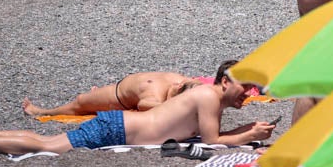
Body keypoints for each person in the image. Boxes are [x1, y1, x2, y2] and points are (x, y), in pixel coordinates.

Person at [0, 62, 275, 162]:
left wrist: (246, 131)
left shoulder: (208, 97)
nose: (248, 93)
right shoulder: (207, 96)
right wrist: (249, 134)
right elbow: (213, 141)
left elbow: (212, 137)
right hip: (116, 129)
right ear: (223, 81)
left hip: (119, 125)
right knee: (45, 146)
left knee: (45, 140)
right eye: (245, 86)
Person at [21, 72, 201, 117]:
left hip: (124, 89)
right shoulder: (155, 93)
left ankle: (97, 95)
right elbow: (144, 105)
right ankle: (42, 112)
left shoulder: (182, 80)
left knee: (89, 99)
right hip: (117, 96)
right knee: (80, 103)